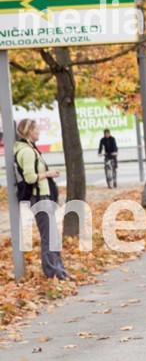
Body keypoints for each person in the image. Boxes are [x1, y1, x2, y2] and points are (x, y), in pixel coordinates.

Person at [13, 119, 69, 280]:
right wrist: (48, 174)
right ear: (29, 131)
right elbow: (30, 177)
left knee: (53, 236)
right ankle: (53, 273)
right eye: (36, 129)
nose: (39, 131)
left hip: (42, 197)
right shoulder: (27, 151)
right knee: (49, 237)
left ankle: (58, 270)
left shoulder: (29, 149)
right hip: (38, 198)